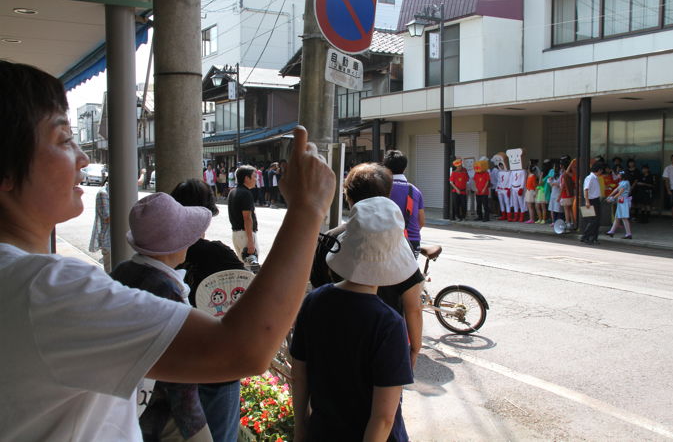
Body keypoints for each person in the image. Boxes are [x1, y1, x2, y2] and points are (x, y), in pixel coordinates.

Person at [0, 60, 335, 441]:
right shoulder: (46, 291)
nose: (82, 157)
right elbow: (243, 349)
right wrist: (308, 209)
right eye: (63, 140)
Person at [292, 197, 415, 441]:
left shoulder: (314, 301)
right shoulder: (388, 323)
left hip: (322, 432)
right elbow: (383, 418)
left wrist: (300, 430)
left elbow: (299, 374)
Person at [111, 193, 214, 441]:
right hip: (169, 414)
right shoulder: (165, 290)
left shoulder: (124, 271)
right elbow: (182, 372)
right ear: (176, 244)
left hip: (132, 408)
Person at [171, 179, 246, 442]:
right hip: (216, 362)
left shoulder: (161, 254)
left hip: (173, 360)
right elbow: (247, 291)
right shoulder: (217, 253)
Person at [383, 149, 425, 254]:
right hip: (413, 243)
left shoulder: (382, 189)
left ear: (385, 168)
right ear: (405, 168)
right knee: (409, 270)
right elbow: (421, 222)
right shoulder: (415, 191)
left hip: (386, 242)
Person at [227, 164, 260, 272]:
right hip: (246, 235)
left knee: (244, 269)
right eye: (254, 176)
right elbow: (247, 218)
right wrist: (250, 242)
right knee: (251, 270)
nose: (256, 179)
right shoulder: (246, 194)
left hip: (236, 235)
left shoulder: (232, 192)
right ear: (247, 178)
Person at [88, 177, 111, 272]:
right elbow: (107, 218)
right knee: (111, 272)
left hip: (116, 237)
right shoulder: (103, 193)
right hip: (108, 239)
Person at [581, 162, 605, 245]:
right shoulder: (590, 178)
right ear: (598, 170)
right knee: (592, 221)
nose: (601, 172)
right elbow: (586, 189)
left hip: (596, 200)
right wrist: (587, 201)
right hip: (590, 201)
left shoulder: (595, 178)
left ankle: (594, 238)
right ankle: (585, 237)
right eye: (601, 170)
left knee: (597, 221)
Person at [606, 172, 633, 239]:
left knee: (624, 217)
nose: (617, 175)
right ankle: (612, 231)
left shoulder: (625, 183)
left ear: (622, 176)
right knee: (617, 217)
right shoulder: (623, 182)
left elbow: (620, 192)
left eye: (619, 174)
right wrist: (610, 195)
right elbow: (616, 190)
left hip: (623, 201)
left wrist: (612, 198)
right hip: (621, 201)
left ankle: (628, 233)